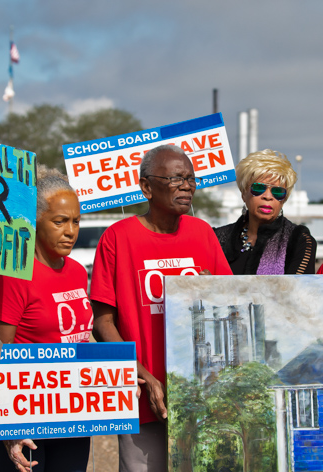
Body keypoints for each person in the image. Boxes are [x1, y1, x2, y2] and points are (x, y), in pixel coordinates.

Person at [90, 144, 232, 471]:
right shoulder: (117, 237)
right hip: (141, 396)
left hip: (199, 398)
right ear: (146, 187)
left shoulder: (203, 233)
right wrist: (143, 375)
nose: (187, 186)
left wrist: (212, 292)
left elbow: (227, 307)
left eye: (191, 179)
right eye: (176, 179)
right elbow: (102, 322)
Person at [0, 166, 93, 472]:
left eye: (76, 222)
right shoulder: (13, 275)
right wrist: (9, 425)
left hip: (71, 405)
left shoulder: (77, 271)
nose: (70, 231)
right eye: (60, 222)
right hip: (21, 404)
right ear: (33, 222)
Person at [213, 149, 316, 274]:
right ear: (244, 194)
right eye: (258, 188)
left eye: (277, 191)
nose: (268, 196)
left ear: (284, 199)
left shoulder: (299, 240)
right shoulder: (216, 238)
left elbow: (296, 289)